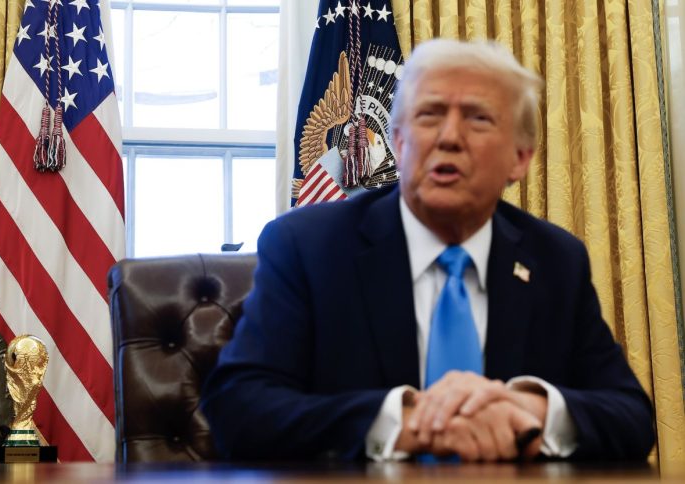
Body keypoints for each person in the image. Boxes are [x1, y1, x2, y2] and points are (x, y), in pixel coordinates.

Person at [200, 38, 654, 462]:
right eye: (430, 115)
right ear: (398, 142)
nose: (449, 137)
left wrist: (532, 409)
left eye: (479, 117)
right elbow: (238, 408)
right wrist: (402, 421)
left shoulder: (556, 260)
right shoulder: (308, 247)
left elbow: (631, 414)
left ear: (520, 157)